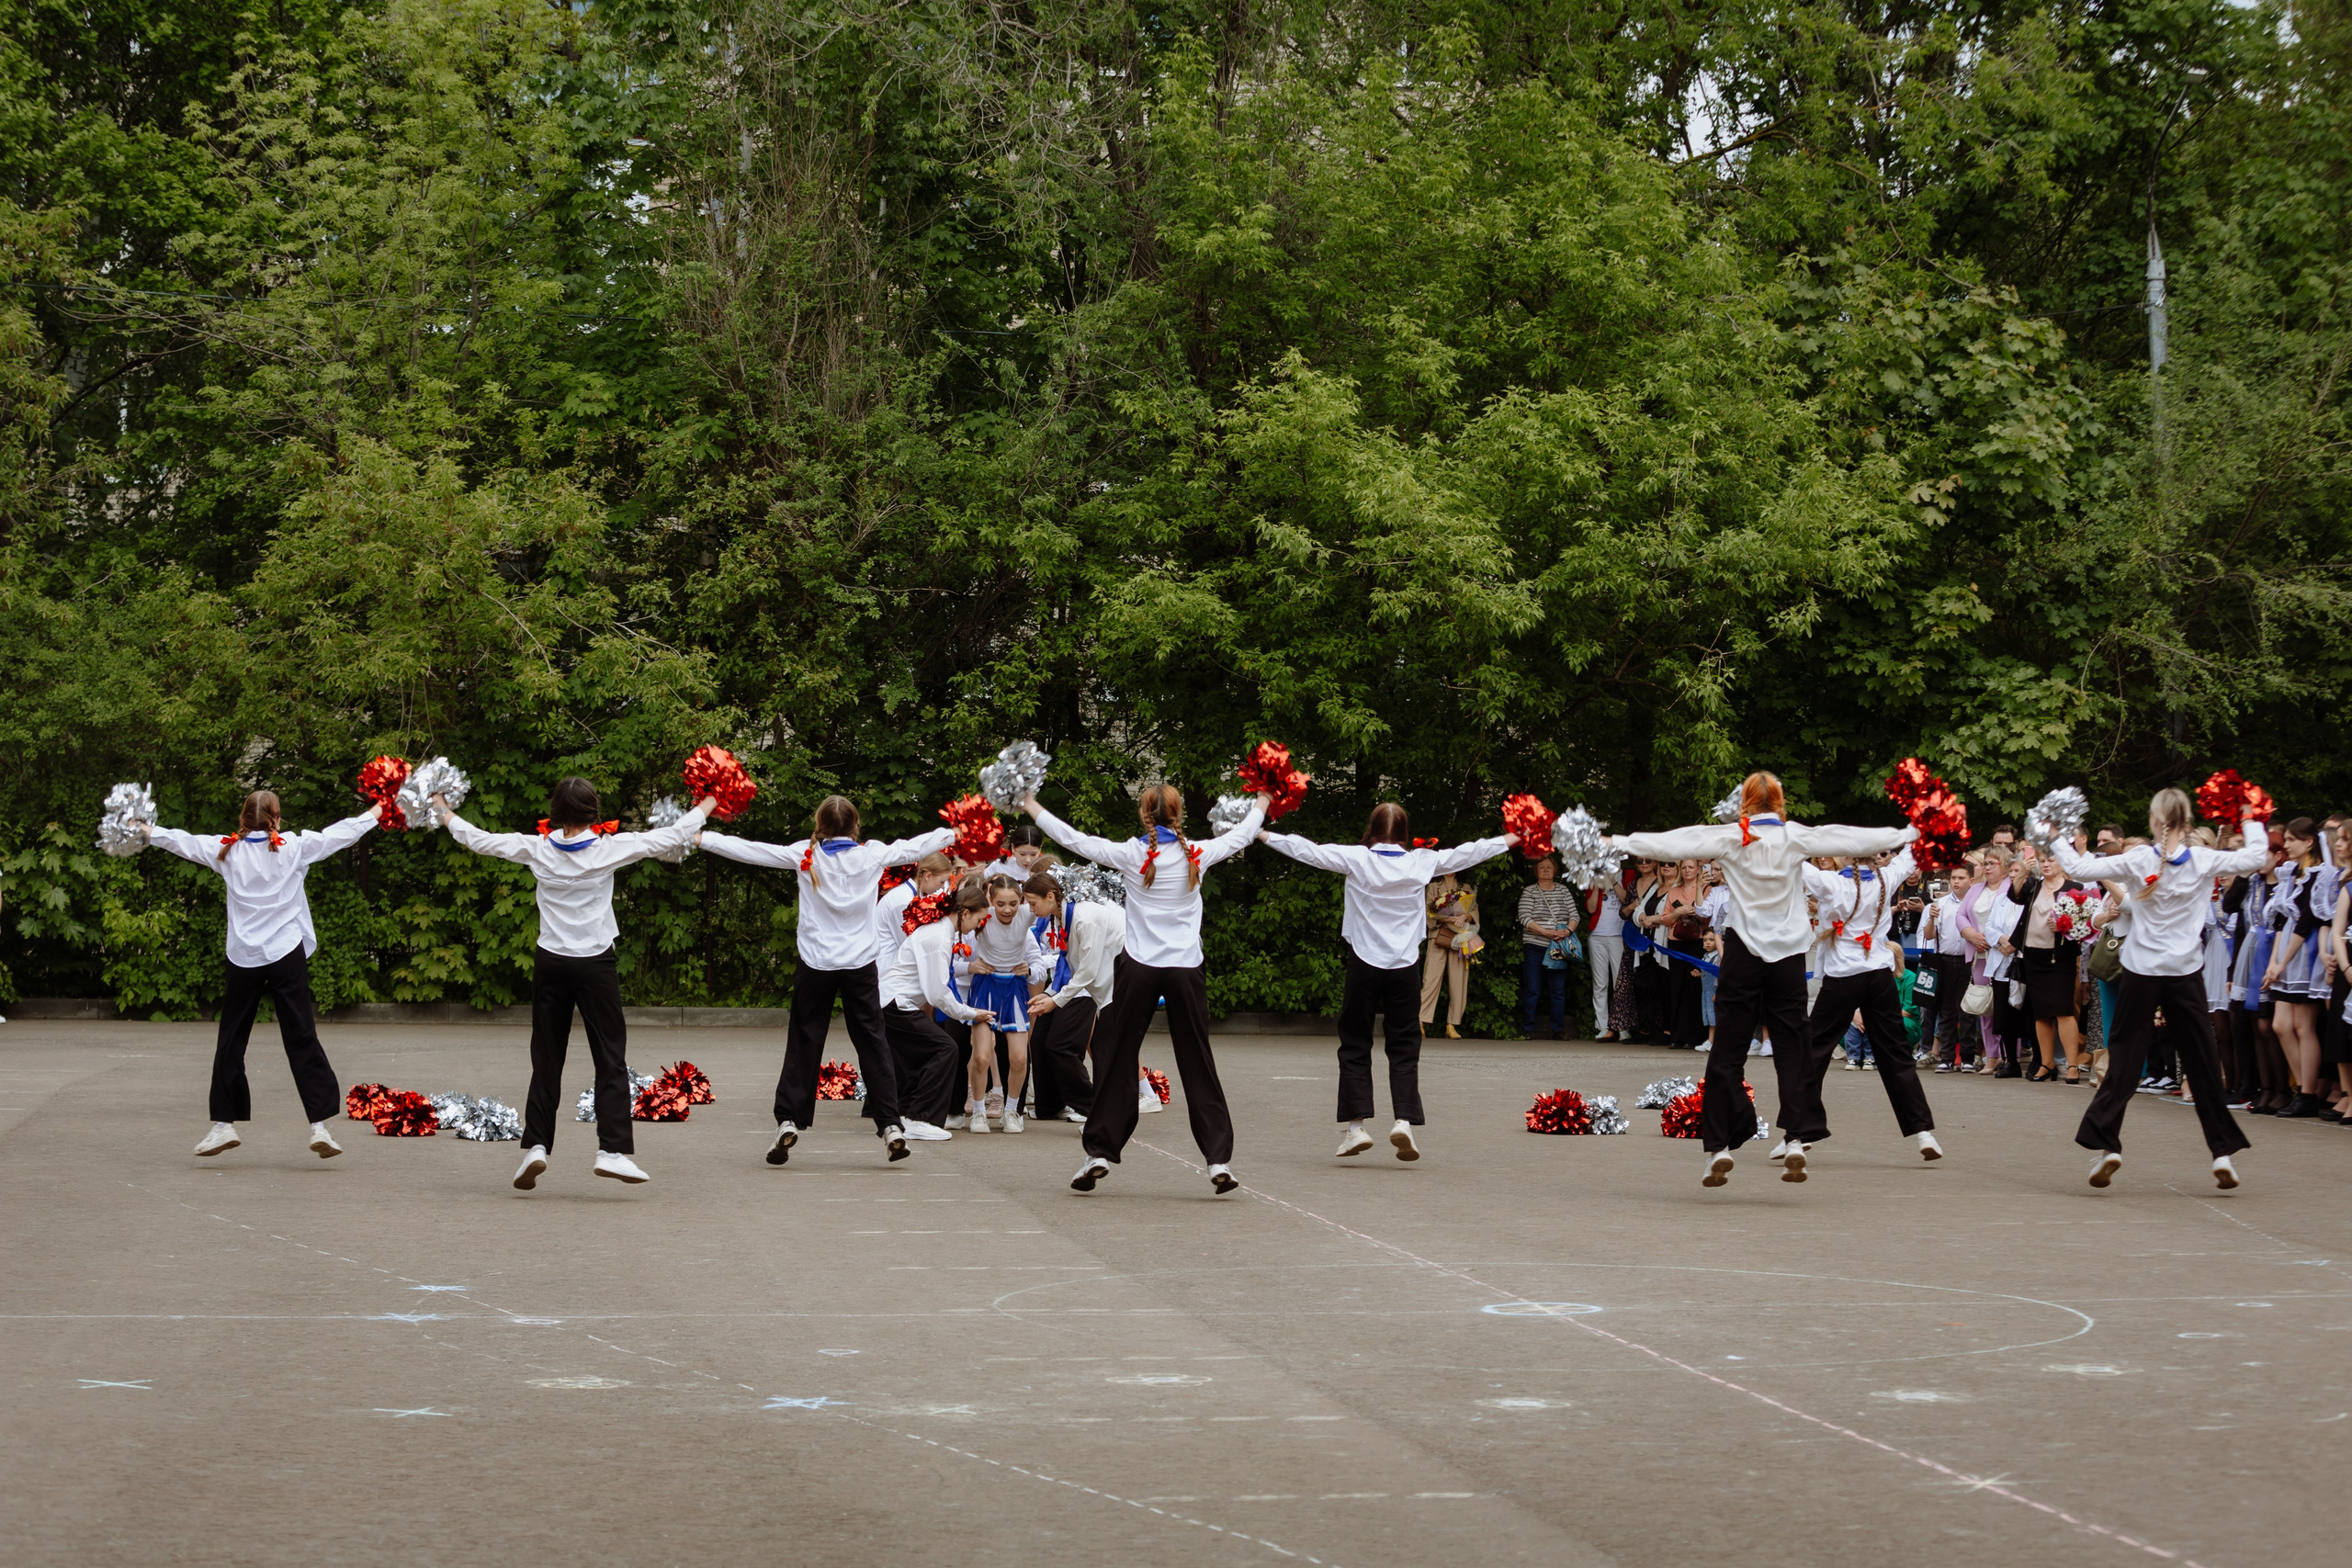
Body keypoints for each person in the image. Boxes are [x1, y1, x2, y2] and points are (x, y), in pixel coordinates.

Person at [1612, 772, 1917, 1187]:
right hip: (1788, 955)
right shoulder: (1795, 836)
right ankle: (1796, 1138)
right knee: (1793, 1044)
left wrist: (1618, 842)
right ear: (1780, 803)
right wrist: (1912, 830)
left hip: (1743, 952)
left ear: (1745, 805)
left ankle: (1718, 1146)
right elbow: (1851, 839)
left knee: (1728, 1048)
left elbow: (1674, 841)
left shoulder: (1730, 837)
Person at [441, 778, 712, 1189]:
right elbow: (672, 835)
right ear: (593, 812)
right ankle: (612, 1151)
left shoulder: (536, 848)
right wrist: (710, 801)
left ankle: (536, 1146)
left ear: (555, 811)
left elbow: (478, 839)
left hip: (550, 962)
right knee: (609, 1058)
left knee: (547, 1059)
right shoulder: (609, 849)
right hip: (594, 966)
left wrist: (443, 809)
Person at [1023, 784, 1268, 1196]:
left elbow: (1073, 839)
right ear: (1180, 814)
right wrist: (1263, 800)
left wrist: (1030, 804)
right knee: (1198, 1060)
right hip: (1185, 970)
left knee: (1117, 1055)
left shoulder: (1132, 854)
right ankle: (1217, 1160)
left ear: (1144, 815)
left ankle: (1099, 1152)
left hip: (1139, 969)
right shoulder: (1198, 853)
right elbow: (1243, 833)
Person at [698, 795, 956, 1168]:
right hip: (860, 965)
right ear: (856, 827)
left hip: (816, 964)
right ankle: (890, 1126)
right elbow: (916, 846)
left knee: (804, 1041)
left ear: (819, 824)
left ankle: (788, 1119)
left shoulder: (806, 854)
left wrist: (701, 838)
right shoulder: (872, 854)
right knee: (873, 1042)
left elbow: (751, 851)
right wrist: (955, 831)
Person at [1262, 806, 1517, 1157]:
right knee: (1405, 1045)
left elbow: (1307, 850)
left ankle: (1355, 1127)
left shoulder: (1357, 858)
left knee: (1354, 1042)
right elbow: (1472, 850)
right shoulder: (1421, 861)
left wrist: (1260, 833)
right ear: (1404, 833)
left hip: (1364, 962)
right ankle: (1403, 1121)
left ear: (1372, 829)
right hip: (1404, 966)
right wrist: (1515, 836)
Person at [2050, 788, 2269, 1189]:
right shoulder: (2203, 859)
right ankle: (2221, 1153)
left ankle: (2108, 1145)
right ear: (2187, 823)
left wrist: (2053, 833)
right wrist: (2250, 815)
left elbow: (2078, 869)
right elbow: (2256, 857)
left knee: (2126, 1056)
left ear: (2153, 822)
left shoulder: (2140, 858)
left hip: (2142, 970)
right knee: (2202, 1059)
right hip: (2185, 971)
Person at [144, 789, 379, 1160]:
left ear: (242, 820)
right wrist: (379, 810)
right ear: (277, 818)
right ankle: (319, 1126)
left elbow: (181, 842)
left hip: (244, 957)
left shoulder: (226, 850)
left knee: (231, 1039)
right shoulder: (294, 847)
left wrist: (145, 829)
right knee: (302, 1035)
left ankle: (224, 1125)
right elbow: (343, 832)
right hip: (286, 953)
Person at [1797, 846, 1941, 1160]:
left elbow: (1793, 862)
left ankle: (1799, 1132)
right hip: (1878, 975)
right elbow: (1912, 853)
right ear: (1875, 856)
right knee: (1895, 1054)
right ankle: (1923, 1133)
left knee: (1814, 1051)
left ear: (1848, 857)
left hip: (1842, 977)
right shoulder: (1886, 877)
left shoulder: (1833, 882)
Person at [878, 882, 998, 1140]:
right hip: (895, 1004)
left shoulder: (939, 932)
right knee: (945, 1049)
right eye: (979, 919)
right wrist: (970, 1013)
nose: (979, 925)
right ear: (965, 914)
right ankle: (919, 1118)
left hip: (891, 1003)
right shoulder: (938, 937)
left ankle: (907, 1113)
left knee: (925, 1055)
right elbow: (937, 993)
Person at [1023, 872, 1125, 1123]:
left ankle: (1101, 1115)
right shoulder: (1063, 916)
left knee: (1101, 1051)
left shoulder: (1084, 918)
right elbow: (1068, 964)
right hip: (1105, 987)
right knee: (1099, 1050)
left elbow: (1087, 972)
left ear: (1050, 897)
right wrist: (1050, 993)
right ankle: (1099, 1113)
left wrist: (1055, 1001)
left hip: (1121, 985)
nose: (1031, 909)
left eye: (1033, 903)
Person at [958, 873, 1052, 1133]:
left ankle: (1012, 1112)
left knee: (1020, 1058)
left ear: (1021, 901)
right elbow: (953, 931)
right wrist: (969, 966)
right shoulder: (982, 917)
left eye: (1013, 903)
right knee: (981, 1056)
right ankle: (978, 1112)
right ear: (991, 900)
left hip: (1014, 988)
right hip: (985, 987)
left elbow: (1049, 902)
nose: (1007, 909)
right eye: (1000, 904)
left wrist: (1031, 970)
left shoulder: (1026, 914)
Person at [2257, 818, 2332, 1118]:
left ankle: (2308, 1093)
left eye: (2292, 839)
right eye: (2285, 839)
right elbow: (2280, 921)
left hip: (2305, 950)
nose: (2286, 845)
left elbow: (2306, 922)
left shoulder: (2320, 874)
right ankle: (2303, 1088)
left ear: (2309, 841)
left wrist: (2283, 961)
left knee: (2303, 1026)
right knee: (2280, 1025)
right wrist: (2274, 963)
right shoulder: (2291, 873)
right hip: (2286, 950)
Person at [2000, 849, 2089, 1082]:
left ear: (2061, 862)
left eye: (2051, 860)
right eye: (2042, 861)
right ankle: (2047, 1063)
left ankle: (2072, 1066)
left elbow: (2084, 925)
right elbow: (2014, 895)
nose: (2046, 864)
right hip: (2032, 955)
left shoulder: (2075, 888)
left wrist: (2064, 926)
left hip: (2060, 957)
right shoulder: (2033, 885)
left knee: (2063, 1010)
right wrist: (2024, 871)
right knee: (2040, 1013)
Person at [1515, 854, 1579, 1040]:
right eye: (1541, 867)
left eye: (1549, 867)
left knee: (1557, 990)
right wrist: (1546, 932)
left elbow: (1574, 916)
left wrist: (1567, 931)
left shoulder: (1564, 891)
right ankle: (1527, 1029)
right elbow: (1524, 918)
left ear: (1555, 870)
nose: (1545, 870)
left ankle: (1558, 1030)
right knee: (1532, 988)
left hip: (1559, 947)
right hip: (1535, 945)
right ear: (1536, 871)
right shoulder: (1529, 891)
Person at [1920, 860, 1976, 1071]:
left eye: (1961, 878)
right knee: (1946, 1011)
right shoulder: (1941, 904)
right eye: (1953, 878)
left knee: (1967, 1010)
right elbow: (1929, 935)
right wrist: (1931, 919)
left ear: (1971, 880)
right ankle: (1946, 1056)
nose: (1956, 882)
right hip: (1945, 960)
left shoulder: (1975, 902)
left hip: (1968, 960)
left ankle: (1968, 1057)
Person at [1420, 872, 1480, 1039]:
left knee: (1458, 980)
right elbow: (1427, 911)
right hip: (1438, 935)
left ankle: (1452, 1025)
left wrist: (1464, 916)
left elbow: (1474, 910)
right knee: (1430, 979)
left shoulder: (1465, 887)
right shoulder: (1433, 886)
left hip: (1461, 936)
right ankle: (1419, 1021)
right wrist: (1446, 919)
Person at [1626, 861, 1669, 1042]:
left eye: (1672, 864)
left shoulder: (1678, 888)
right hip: (1646, 945)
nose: (1667, 867)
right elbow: (1638, 911)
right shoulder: (1656, 887)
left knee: (1665, 987)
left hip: (1665, 945)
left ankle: (1667, 1031)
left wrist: (1654, 918)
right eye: (1664, 864)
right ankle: (1645, 1029)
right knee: (1641, 984)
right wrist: (1643, 917)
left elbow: (1676, 913)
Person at [1585, 872, 1626, 1040]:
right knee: (1600, 984)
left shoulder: (1628, 875)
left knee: (1620, 983)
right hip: (1597, 935)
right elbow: (1591, 908)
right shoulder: (1593, 877)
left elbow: (1628, 901)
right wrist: (1598, 886)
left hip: (1619, 935)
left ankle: (1623, 1026)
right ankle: (1603, 1026)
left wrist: (1614, 883)